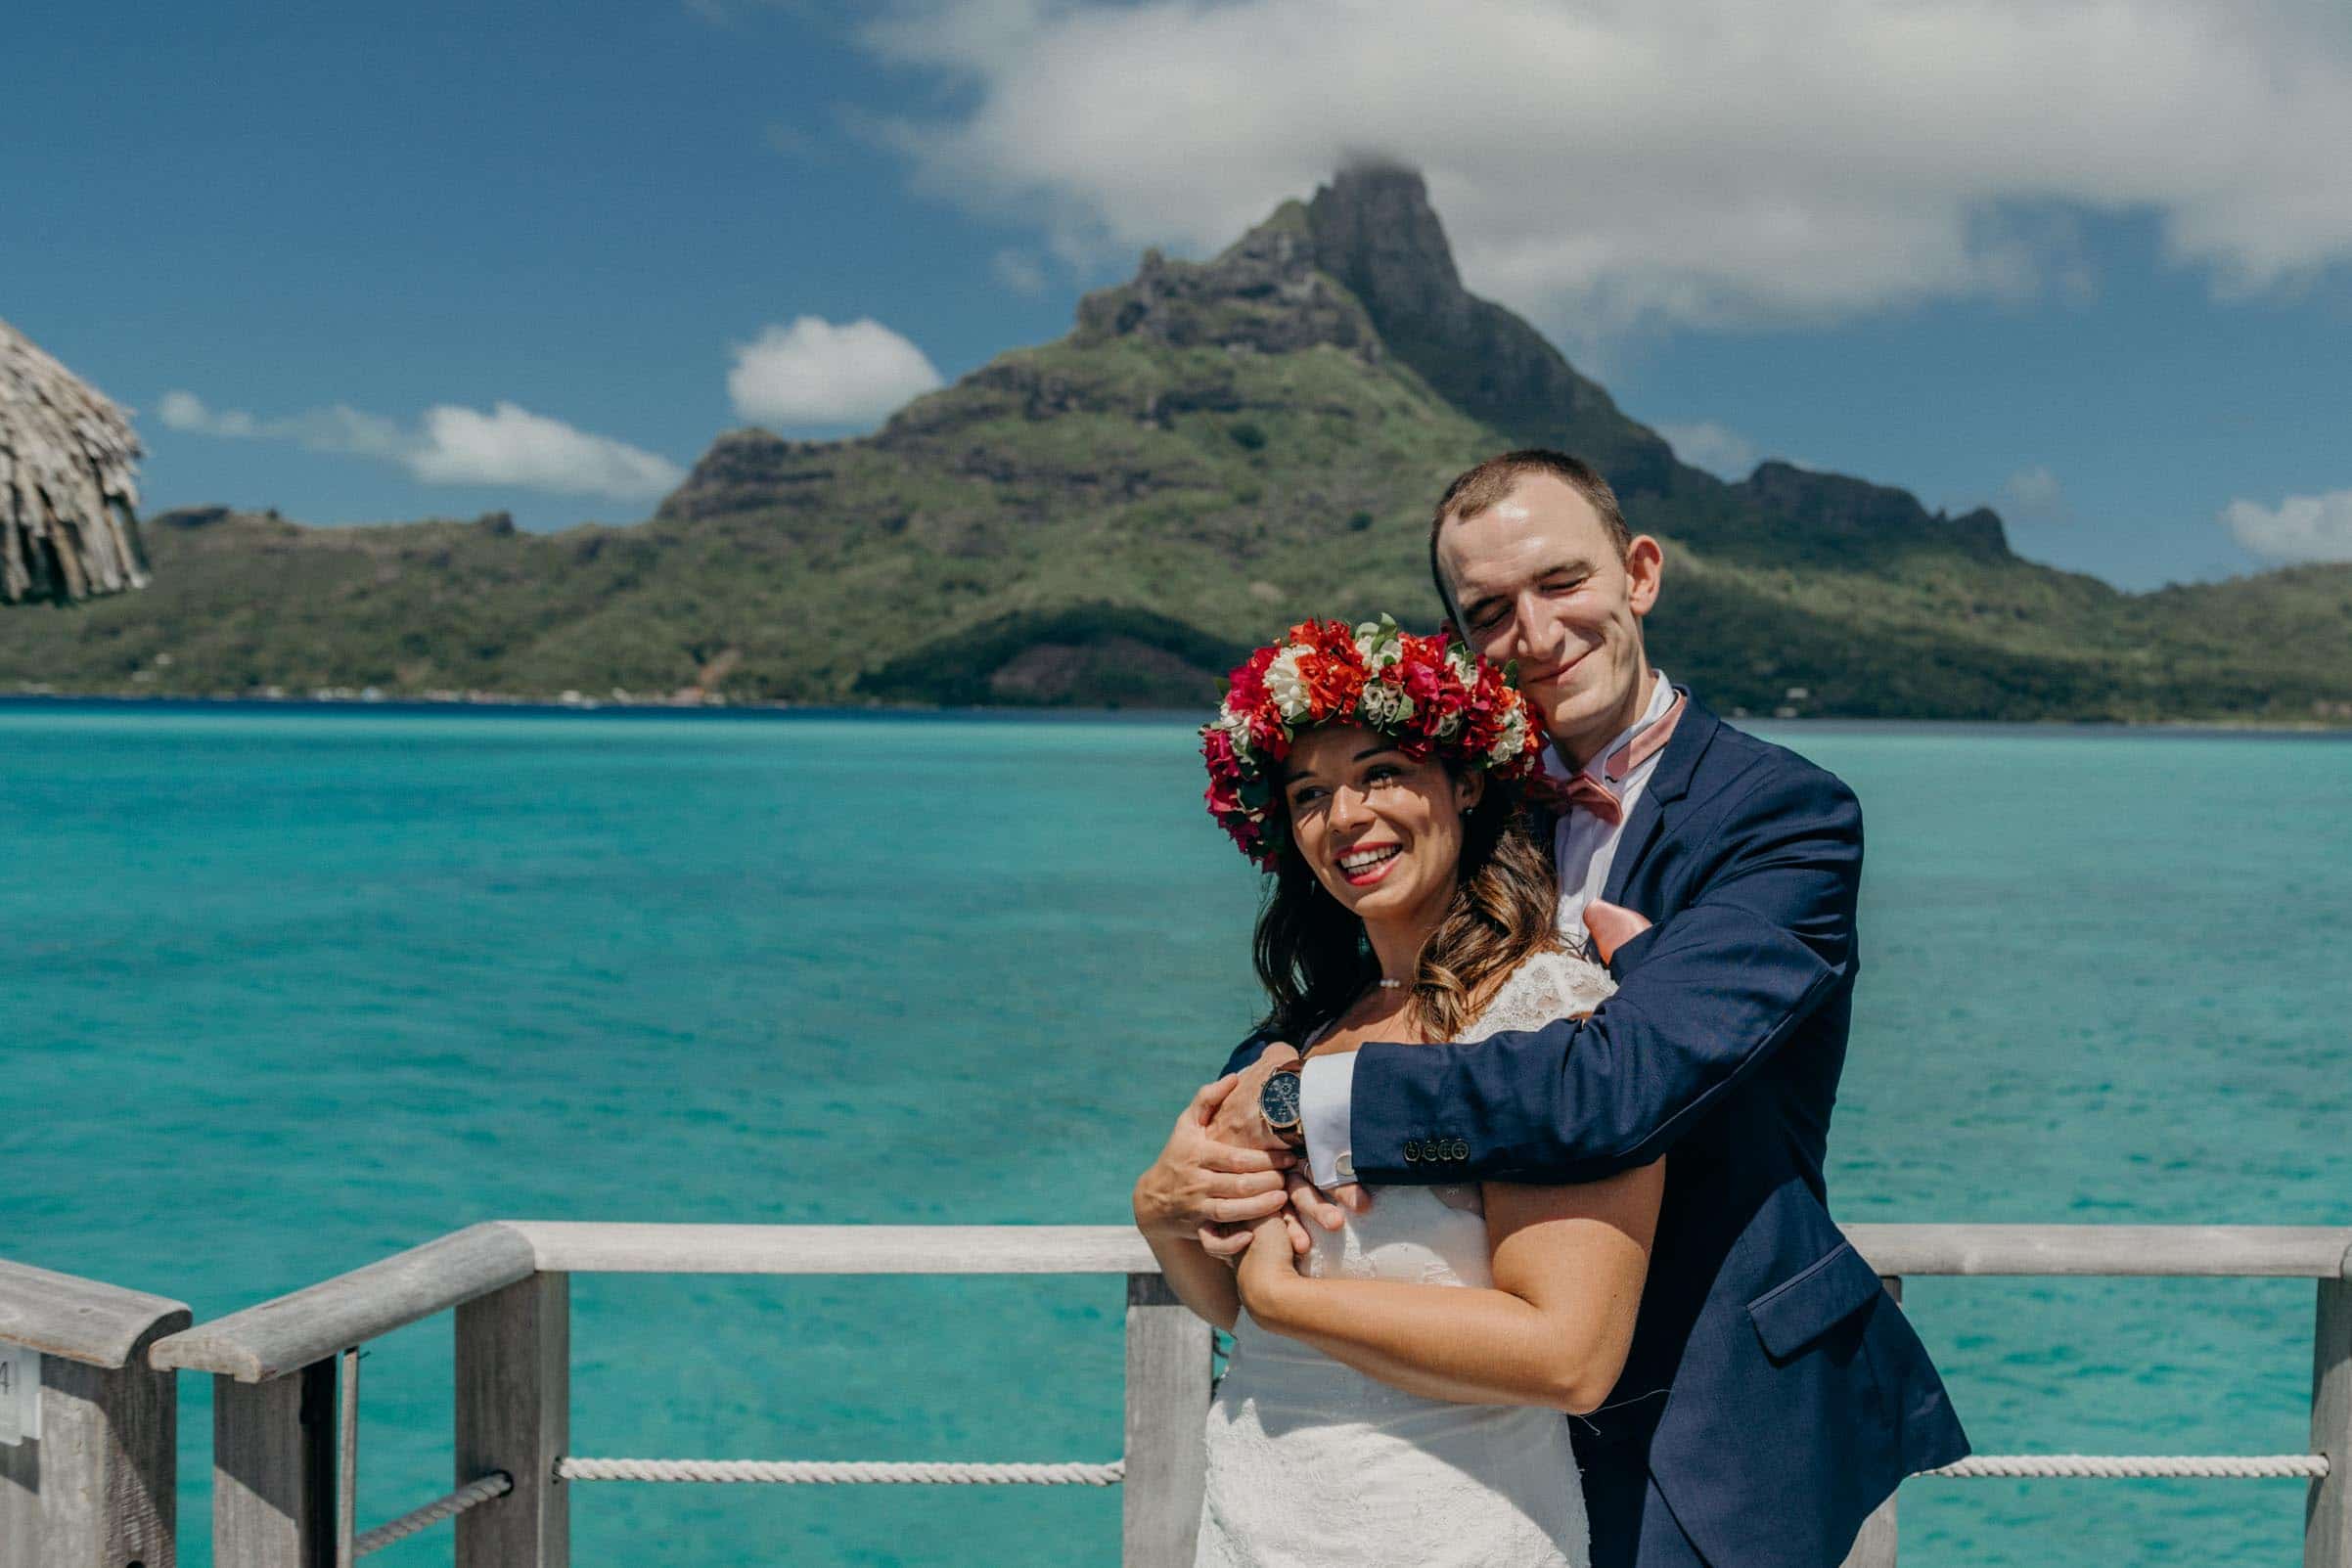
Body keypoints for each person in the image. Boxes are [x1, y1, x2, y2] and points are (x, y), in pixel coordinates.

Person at [1136, 451, 1969, 1568]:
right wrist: (1220, 1132)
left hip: (1706, 1400)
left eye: (1562, 582)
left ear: (1639, 573)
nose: (1533, 631)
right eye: (1488, 611)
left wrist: (1302, 1105)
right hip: (1461, 1412)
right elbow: (1353, 996)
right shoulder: (1454, 801)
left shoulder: (1782, 816)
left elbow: (1614, 1083)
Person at [1138, 613, 1654, 1567]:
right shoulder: (1302, 1032)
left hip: (1448, 1529)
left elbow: (1569, 1356)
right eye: (1309, 793)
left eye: (1380, 773)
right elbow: (1234, 1306)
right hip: (1254, 1517)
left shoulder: (1551, 1014)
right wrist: (1161, 1212)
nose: (1344, 818)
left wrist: (1287, 1301)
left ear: (1463, 781)